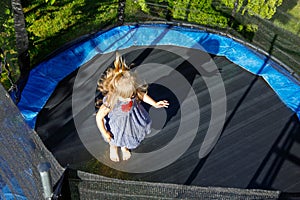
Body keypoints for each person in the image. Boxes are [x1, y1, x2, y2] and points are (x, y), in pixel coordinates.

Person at [96, 52, 169, 162]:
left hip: (133, 118)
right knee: (114, 138)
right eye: (127, 97)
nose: (131, 99)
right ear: (118, 93)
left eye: (132, 95)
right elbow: (99, 117)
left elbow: (141, 95)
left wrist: (155, 103)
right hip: (118, 124)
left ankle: (124, 147)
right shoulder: (111, 101)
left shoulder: (133, 91)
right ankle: (114, 147)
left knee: (129, 136)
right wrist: (105, 132)